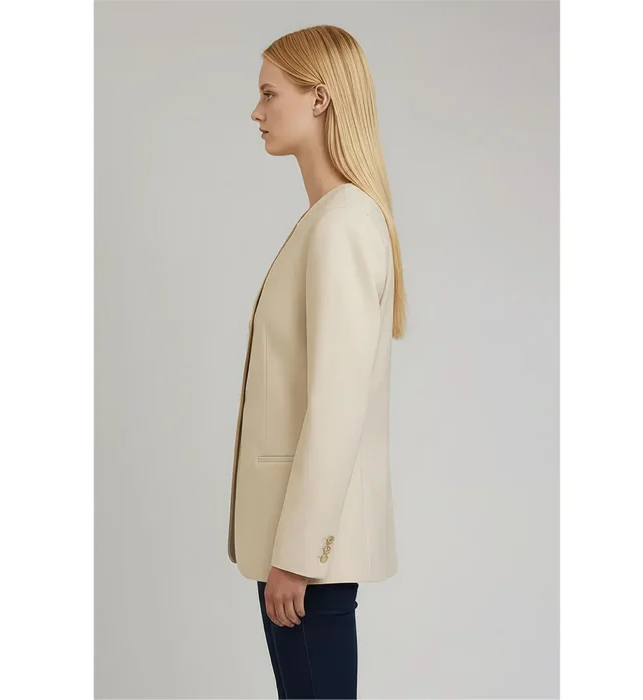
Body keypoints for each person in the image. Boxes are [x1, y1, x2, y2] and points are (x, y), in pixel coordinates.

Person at [228, 24, 407, 699]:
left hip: (308, 556)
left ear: (320, 100)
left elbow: (337, 405)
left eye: (270, 93)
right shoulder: (329, 219)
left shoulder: (343, 223)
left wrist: (299, 556)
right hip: (299, 547)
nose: (257, 111)